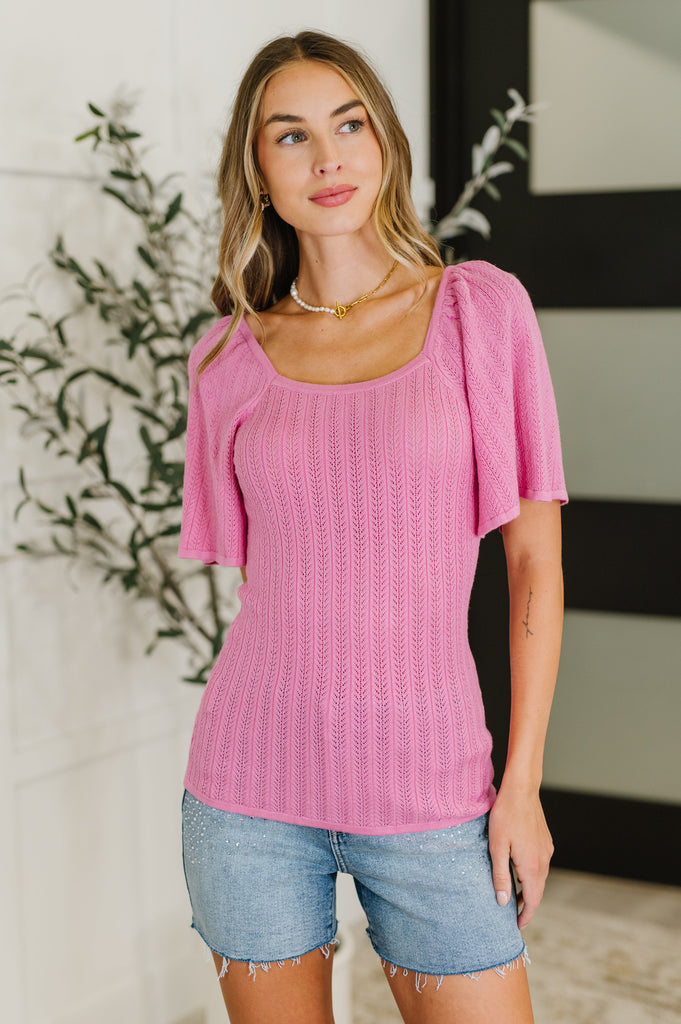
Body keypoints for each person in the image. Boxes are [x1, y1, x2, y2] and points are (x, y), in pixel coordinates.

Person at [178, 29, 567, 1024]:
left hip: (435, 790)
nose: (327, 157)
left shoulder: (479, 312)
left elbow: (532, 563)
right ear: (258, 171)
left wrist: (521, 785)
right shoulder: (226, 356)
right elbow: (276, 582)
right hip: (250, 789)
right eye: (291, 136)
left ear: (385, 140)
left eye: (348, 125)